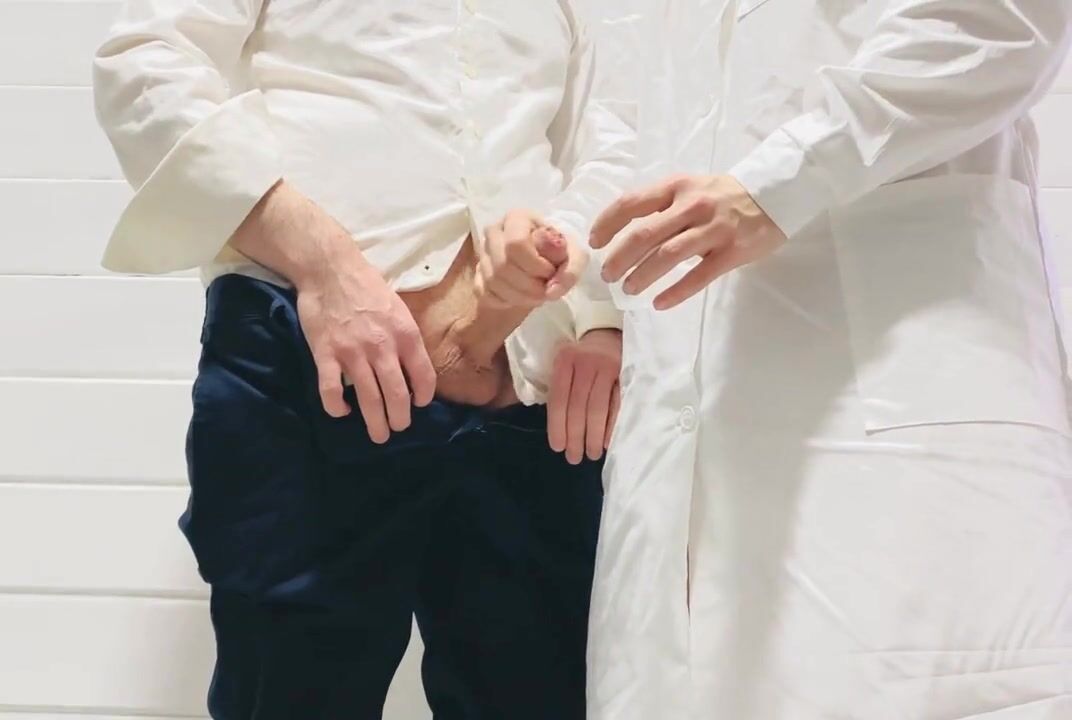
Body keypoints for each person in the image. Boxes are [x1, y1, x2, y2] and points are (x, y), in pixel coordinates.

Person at [91, 1, 635, 718]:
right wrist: (323, 262)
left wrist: (596, 307)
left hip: (529, 398)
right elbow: (143, 62)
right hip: (306, 366)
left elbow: (609, 135)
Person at [585, 2, 1072, 718]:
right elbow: (626, 116)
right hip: (678, 430)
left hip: (903, 405)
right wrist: (583, 289)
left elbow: (998, 19)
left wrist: (783, 179)